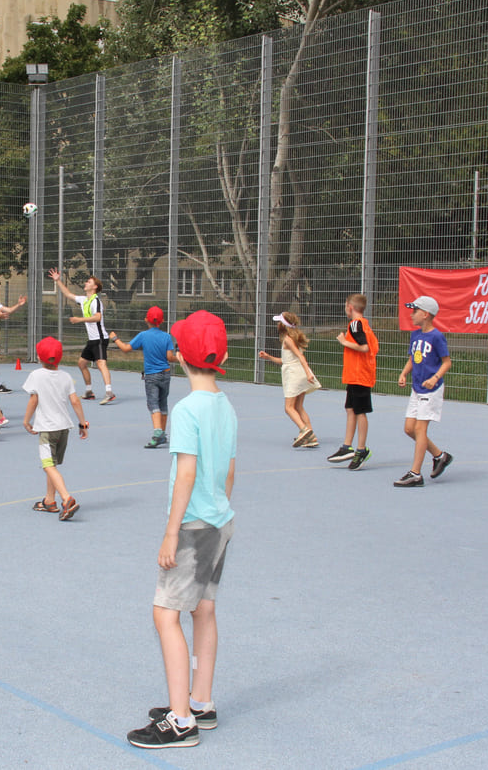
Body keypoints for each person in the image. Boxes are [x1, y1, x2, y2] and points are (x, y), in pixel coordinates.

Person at [126, 310, 236, 750]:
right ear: (221, 354)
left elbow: (186, 473)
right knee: (204, 610)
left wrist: (171, 532)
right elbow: (229, 469)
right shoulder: (225, 404)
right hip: (220, 521)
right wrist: (220, 510)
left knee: (165, 613)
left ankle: (181, 720)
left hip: (192, 525)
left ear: (178, 357)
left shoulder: (188, 409)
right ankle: (202, 701)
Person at [22, 336, 89, 521]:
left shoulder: (36, 375)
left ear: (39, 356)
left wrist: (27, 421)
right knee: (53, 464)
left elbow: (33, 400)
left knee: (48, 466)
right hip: (63, 429)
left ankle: (67, 498)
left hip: (47, 429)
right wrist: (83, 423)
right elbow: (75, 401)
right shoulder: (66, 376)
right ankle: (49, 501)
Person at [395, 295, 453, 487]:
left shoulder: (436, 337)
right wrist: (404, 373)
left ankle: (415, 474)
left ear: (426, 314)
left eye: (415, 311)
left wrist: (435, 377)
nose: (411, 315)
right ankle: (440, 456)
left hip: (431, 390)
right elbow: (413, 358)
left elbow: (447, 362)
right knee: (409, 429)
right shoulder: (415, 335)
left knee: (420, 429)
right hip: (417, 388)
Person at [109, 306, 176, 448]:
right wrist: (179, 357)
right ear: (162, 321)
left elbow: (126, 349)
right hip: (166, 374)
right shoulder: (166, 336)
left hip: (152, 375)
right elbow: (170, 356)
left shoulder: (143, 335)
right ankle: (163, 433)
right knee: (163, 403)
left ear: (146, 319)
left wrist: (115, 338)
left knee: (153, 403)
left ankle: (157, 434)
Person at [327, 294, 379, 470]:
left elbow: (365, 347)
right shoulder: (359, 325)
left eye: (345, 306)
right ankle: (346, 447)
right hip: (355, 375)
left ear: (350, 307)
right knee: (350, 409)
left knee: (360, 412)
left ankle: (361, 449)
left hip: (360, 375)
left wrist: (344, 342)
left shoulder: (356, 324)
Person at [48, 268, 114, 404]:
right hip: (92, 340)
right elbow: (68, 294)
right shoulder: (84, 300)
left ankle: (109, 392)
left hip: (100, 339)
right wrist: (58, 280)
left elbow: (97, 317)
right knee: (82, 363)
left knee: (101, 364)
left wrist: (80, 319)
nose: (85, 283)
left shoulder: (96, 301)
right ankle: (89, 391)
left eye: (88, 282)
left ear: (95, 286)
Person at [257, 311, 321, 448]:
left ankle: (305, 430)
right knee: (298, 407)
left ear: (284, 325)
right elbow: (285, 361)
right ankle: (312, 437)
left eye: (279, 322)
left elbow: (300, 357)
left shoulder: (287, 339)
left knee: (289, 408)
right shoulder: (291, 338)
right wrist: (268, 357)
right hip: (298, 373)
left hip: (295, 375)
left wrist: (308, 373)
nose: (277, 324)